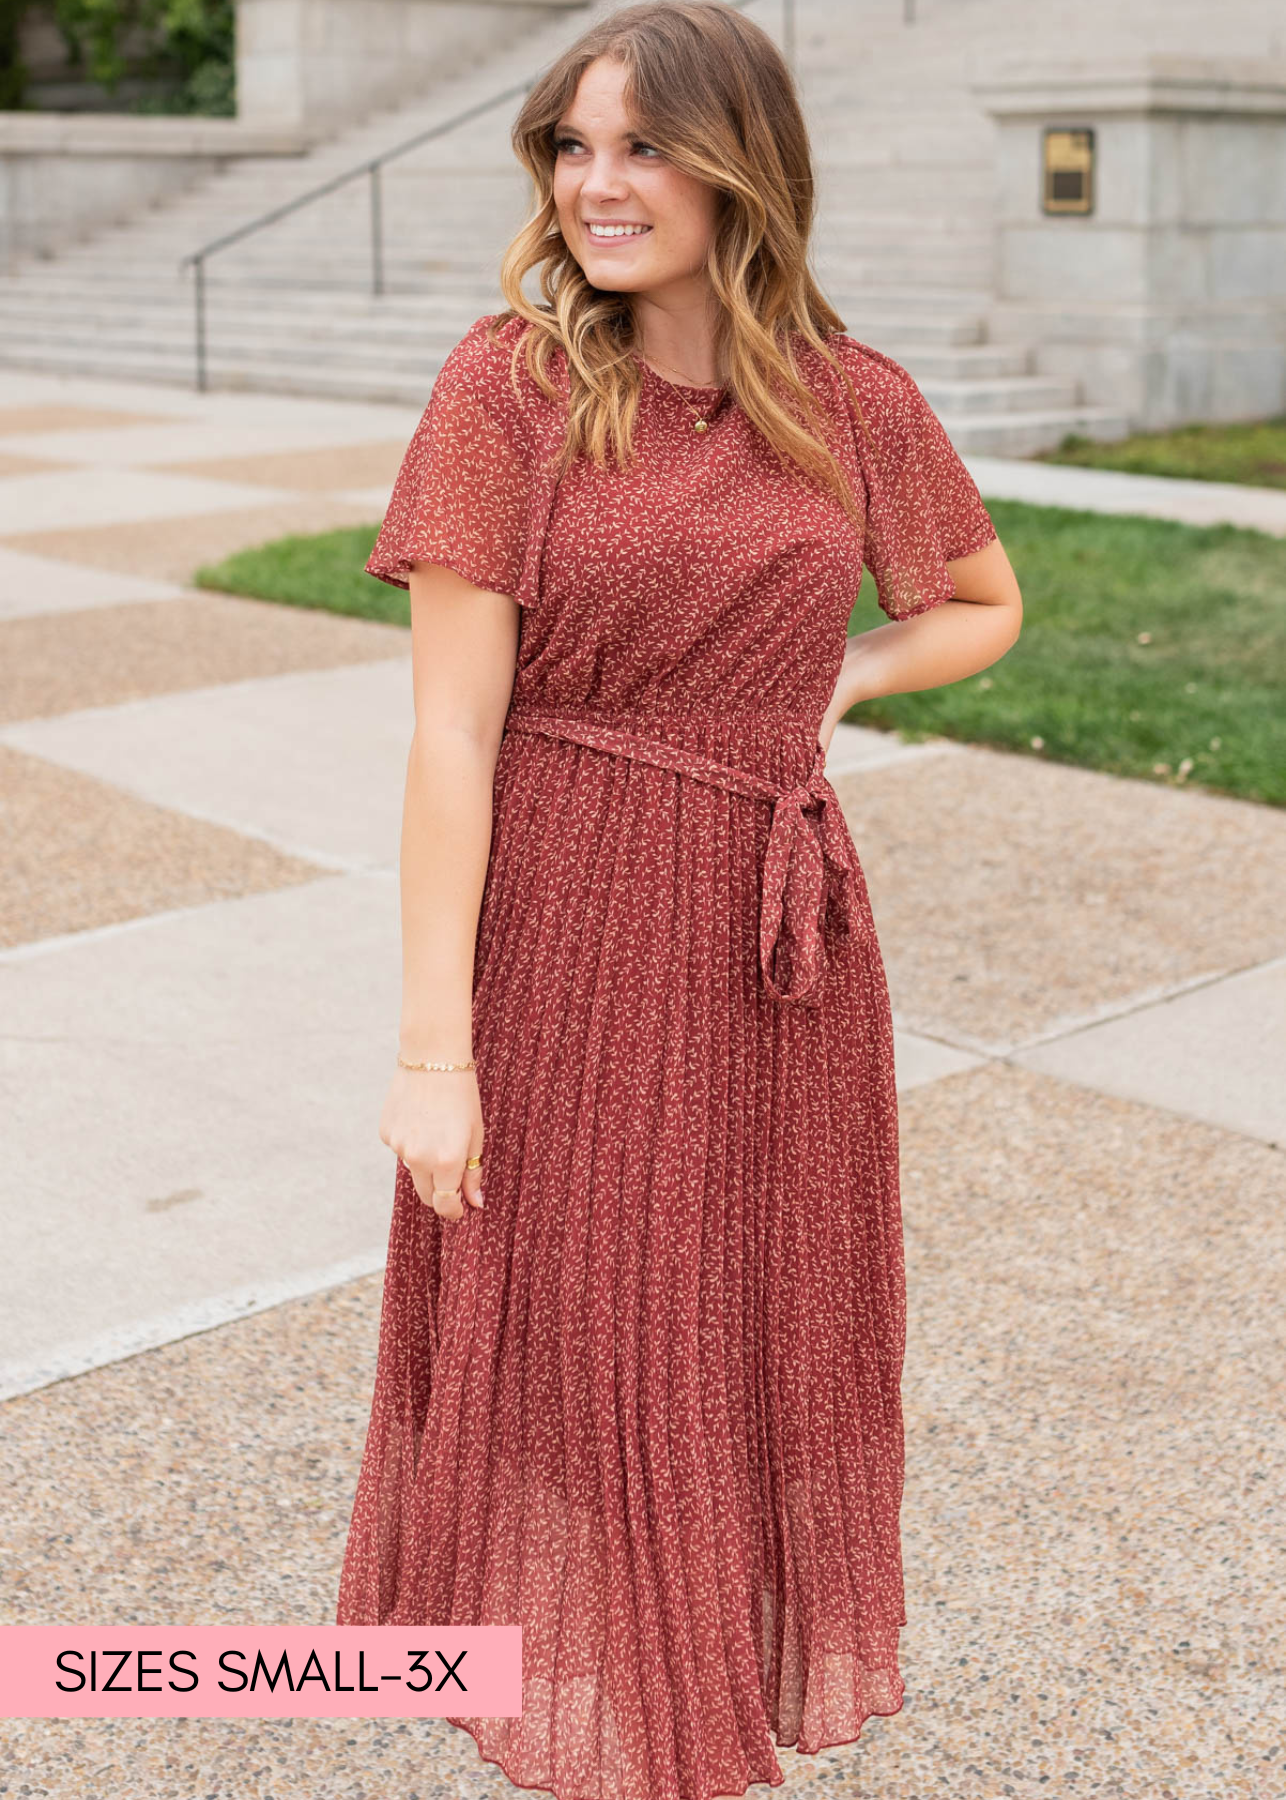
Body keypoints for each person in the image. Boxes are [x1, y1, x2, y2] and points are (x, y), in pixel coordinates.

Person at [335, 3, 1023, 1797]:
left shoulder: (851, 395)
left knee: (745, 1326)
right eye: (570, 144)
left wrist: (838, 685)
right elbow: (446, 741)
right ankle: (616, 1730)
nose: (597, 183)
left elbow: (981, 599)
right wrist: (432, 1053)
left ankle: (679, 1701)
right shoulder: (511, 386)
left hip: (776, 937)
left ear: (741, 161)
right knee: (582, 1342)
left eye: (640, 143)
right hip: (565, 913)